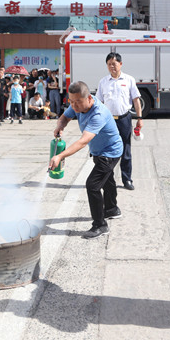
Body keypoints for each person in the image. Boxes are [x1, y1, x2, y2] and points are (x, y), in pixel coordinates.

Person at [49, 81, 123, 239]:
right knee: (107, 179)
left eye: (77, 102)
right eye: (71, 102)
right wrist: (60, 126)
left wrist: (60, 156)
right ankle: (112, 209)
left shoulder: (98, 113)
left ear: (89, 98)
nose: (74, 106)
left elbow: (83, 141)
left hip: (110, 152)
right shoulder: (77, 104)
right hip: (99, 151)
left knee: (93, 185)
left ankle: (100, 225)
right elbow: (64, 117)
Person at [95, 52, 143, 190]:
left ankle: (127, 179)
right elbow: (99, 102)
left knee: (126, 150)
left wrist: (139, 118)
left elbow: (136, 100)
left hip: (124, 119)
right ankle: (106, 179)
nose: (112, 67)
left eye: (114, 64)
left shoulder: (129, 80)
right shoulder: (103, 82)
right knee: (106, 150)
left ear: (120, 64)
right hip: (108, 121)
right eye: (109, 64)